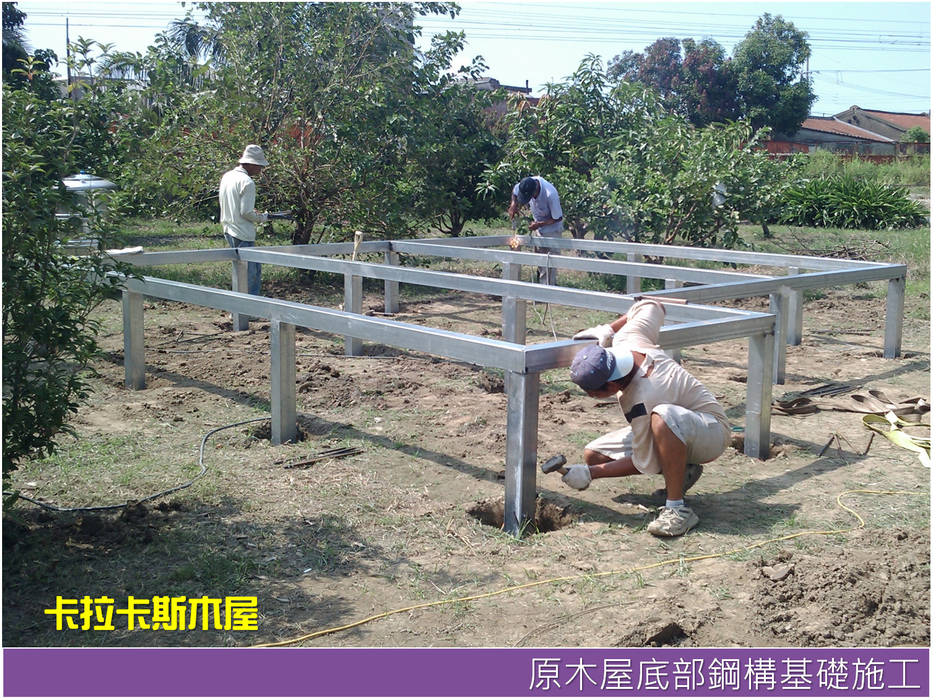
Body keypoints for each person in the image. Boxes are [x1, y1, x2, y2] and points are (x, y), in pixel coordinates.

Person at [561, 299, 730, 537]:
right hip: (681, 426)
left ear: (611, 384)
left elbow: (644, 461)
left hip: (712, 432)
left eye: (593, 392)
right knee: (594, 455)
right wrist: (609, 329)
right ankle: (684, 468)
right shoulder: (627, 340)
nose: (591, 396)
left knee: (663, 417)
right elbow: (651, 305)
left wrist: (592, 474)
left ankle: (677, 509)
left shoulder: (643, 399)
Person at [219, 144, 270, 296]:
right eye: (259, 166)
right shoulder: (247, 182)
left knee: (240, 272)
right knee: (251, 275)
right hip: (242, 232)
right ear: (251, 164)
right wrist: (262, 217)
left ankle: (239, 309)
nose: (260, 170)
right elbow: (246, 212)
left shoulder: (228, 176)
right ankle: (248, 311)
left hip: (229, 229)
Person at [507, 175, 564, 285]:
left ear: (535, 190)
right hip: (538, 226)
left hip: (552, 229)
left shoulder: (550, 194)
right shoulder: (525, 184)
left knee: (550, 263)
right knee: (540, 260)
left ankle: (548, 293)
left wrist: (539, 224)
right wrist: (513, 204)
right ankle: (541, 290)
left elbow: (558, 217)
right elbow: (515, 191)